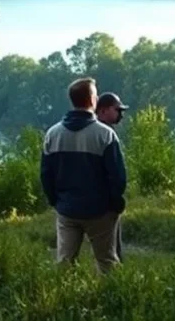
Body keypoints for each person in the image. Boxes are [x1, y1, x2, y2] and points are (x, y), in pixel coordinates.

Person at [40, 77, 127, 274]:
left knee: (64, 262)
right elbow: (118, 177)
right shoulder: (105, 135)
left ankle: (60, 301)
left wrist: (56, 201)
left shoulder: (53, 134)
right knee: (107, 262)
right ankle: (109, 301)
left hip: (67, 210)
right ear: (92, 100)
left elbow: (46, 175)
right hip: (100, 211)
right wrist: (114, 203)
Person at [95, 91, 129, 260]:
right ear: (102, 111)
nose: (120, 115)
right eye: (117, 110)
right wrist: (116, 199)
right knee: (111, 252)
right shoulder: (104, 134)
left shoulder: (106, 132)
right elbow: (116, 174)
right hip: (105, 203)